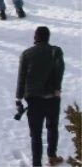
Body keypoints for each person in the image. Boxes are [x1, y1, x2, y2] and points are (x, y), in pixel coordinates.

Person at [16, 26, 66, 167]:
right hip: (52, 97)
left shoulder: (26, 54)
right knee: (52, 127)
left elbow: (22, 78)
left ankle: (36, 164)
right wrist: (57, 87)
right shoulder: (55, 51)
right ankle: (52, 157)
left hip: (33, 98)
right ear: (48, 37)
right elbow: (60, 68)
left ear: (35, 37)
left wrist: (18, 98)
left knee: (36, 133)